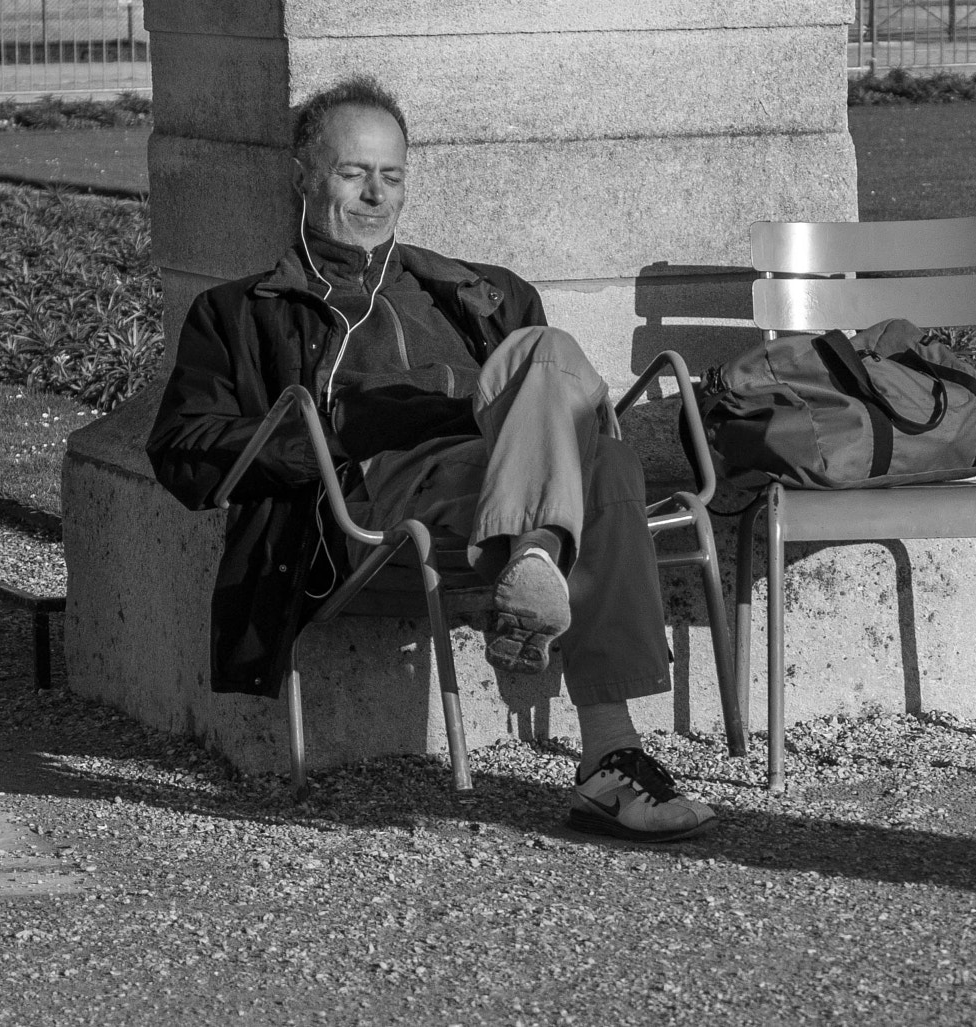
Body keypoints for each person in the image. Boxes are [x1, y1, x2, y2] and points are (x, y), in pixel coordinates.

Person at [145, 75, 716, 843]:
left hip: (492, 467)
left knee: (567, 394)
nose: (376, 195)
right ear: (304, 175)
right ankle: (606, 742)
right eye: (354, 173)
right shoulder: (242, 312)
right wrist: (336, 427)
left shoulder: (481, 293)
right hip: (378, 489)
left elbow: (544, 405)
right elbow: (183, 453)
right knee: (601, 466)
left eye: (392, 175)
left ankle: (537, 559)